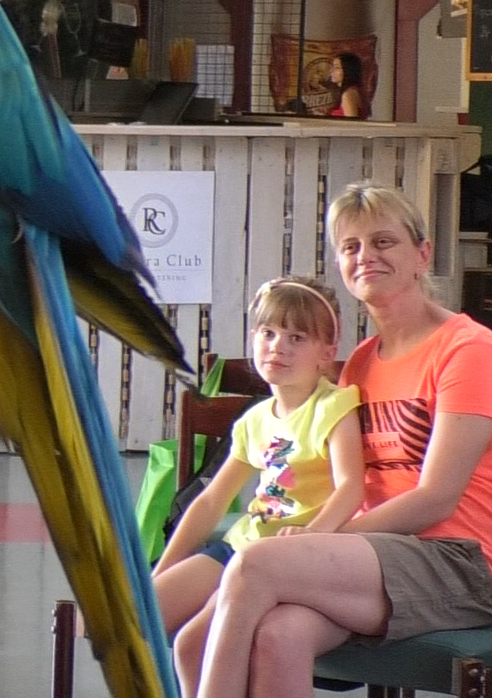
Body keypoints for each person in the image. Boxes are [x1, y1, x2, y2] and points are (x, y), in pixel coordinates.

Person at [179, 183, 492, 698]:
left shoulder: (468, 349)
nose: (366, 257)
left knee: (256, 564)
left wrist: (319, 538)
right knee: (265, 635)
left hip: (460, 561)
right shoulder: (361, 362)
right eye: (351, 247)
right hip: (375, 554)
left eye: (383, 242)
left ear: (422, 255)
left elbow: (435, 497)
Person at [151, 277, 361, 691]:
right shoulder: (254, 419)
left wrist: (312, 535)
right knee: (143, 611)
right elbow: (213, 500)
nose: (278, 346)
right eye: (268, 333)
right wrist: (163, 568)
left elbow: (352, 486)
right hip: (239, 545)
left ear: (327, 353)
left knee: (193, 644)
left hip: (285, 555)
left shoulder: (333, 406)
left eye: (296, 337)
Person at [328, 53, 366, 119]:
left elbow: (351, 125)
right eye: (332, 67)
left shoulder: (348, 95)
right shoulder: (352, 91)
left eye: (337, 68)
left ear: (348, 70)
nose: (331, 71)